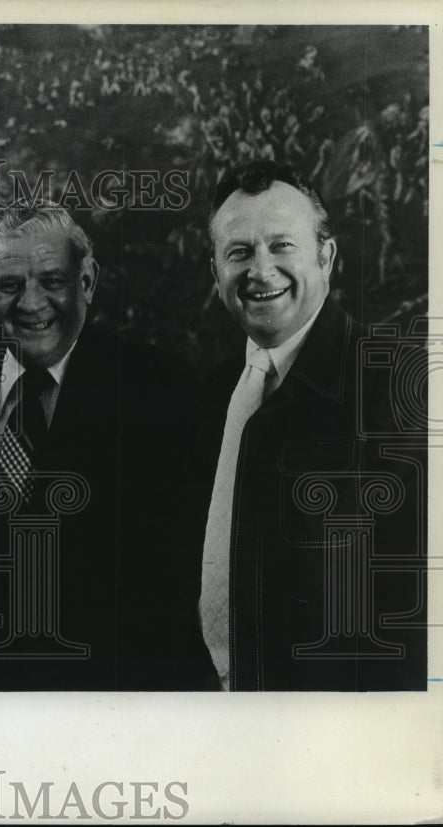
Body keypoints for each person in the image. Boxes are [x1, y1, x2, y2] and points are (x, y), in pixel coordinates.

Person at [0, 203, 210, 690]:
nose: (32, 304)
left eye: (52, 280)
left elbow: (175, 586)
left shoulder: (160, 391)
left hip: (109, 706)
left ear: (88, 282)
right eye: (11, 285)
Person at [196, 160, 426, 691]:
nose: (260, 271)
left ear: (326, 257)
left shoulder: (400, 391)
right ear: (215, 273)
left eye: (281, 246)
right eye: (239, 252)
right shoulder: (208, 399)